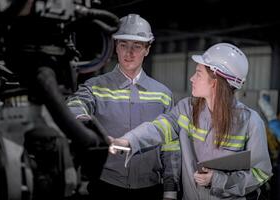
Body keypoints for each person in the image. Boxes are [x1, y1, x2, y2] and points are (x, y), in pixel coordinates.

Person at [112, 42, 273, 200]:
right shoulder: (186, 110)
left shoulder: (250, 122)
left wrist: (217, 180)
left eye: (198, 73)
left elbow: (260, 173)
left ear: (215, 82)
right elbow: (159, 128)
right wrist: (129, 141)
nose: (192, 78)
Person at [66, 14, 181, 200]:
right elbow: (75, 106)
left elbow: (171, 146)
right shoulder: (95, 87)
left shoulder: (163, 94)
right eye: (123, 45)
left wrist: (170, 188)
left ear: (147, 49)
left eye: (137, 46)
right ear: (115, 48)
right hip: (106, 186)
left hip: (150, 188)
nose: (130, 52)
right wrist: (87, 126)